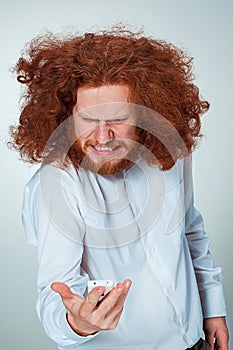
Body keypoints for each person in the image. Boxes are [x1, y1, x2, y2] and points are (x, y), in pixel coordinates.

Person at [10, 27, 229, 350]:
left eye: (117, 118)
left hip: (193, 339)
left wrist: (213, 310)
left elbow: (189, 230)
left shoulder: (171, 155)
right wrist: (78, 323)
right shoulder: (55, 186)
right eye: (88, 119)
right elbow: (56, 293)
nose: (102, 136)